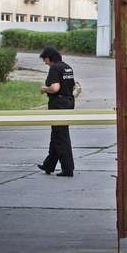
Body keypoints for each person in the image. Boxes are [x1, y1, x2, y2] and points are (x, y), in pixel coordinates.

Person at [37, 46, 75, 177]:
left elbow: (55, 88)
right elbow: (72, 85)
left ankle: (68, 168)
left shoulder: (54, 68)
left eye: (45, 60)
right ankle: (49, 165)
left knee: (61, 137)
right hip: (69, 102)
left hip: (58, 105)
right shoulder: (67, 67)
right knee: (57, 135)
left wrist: (44, 89)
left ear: (49, 57)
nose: (45, 63)